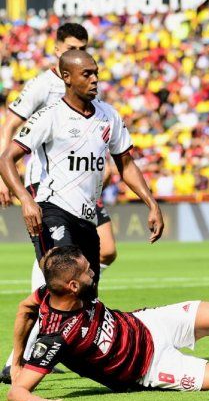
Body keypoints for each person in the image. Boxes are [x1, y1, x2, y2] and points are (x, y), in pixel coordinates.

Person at [0, 50, 164, 382]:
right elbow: (7, 159)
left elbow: (126, 164)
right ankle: (18, 366)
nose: (94, 80)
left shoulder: (108, 116)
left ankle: (98, 363)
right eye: (86, 74)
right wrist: (27, 202)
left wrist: (151, 202)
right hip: (52, 212)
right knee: (60, 290)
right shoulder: (49, 115)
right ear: (67, 77)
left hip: (87, 218)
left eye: (96, 73)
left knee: (87, 294)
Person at [6, 246, 209, 401]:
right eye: (86, 272)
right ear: (72, 286)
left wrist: (16, 357)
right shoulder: (55, 338)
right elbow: (16, 392)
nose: (93, 273)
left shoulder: (48, 293)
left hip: (146, 323)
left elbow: (25, 308)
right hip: (147, 369)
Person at [0, 24, 119, 381]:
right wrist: (10, 182)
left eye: (83, 47)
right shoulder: (42, 85)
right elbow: (11, 128)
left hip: (85, 188)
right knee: (60, 266)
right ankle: (19, 356)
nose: (80, 50)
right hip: (48, 188)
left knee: (106, 253)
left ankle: (69, 338)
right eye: (72, 46)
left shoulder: (92, 91)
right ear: (58, 51)